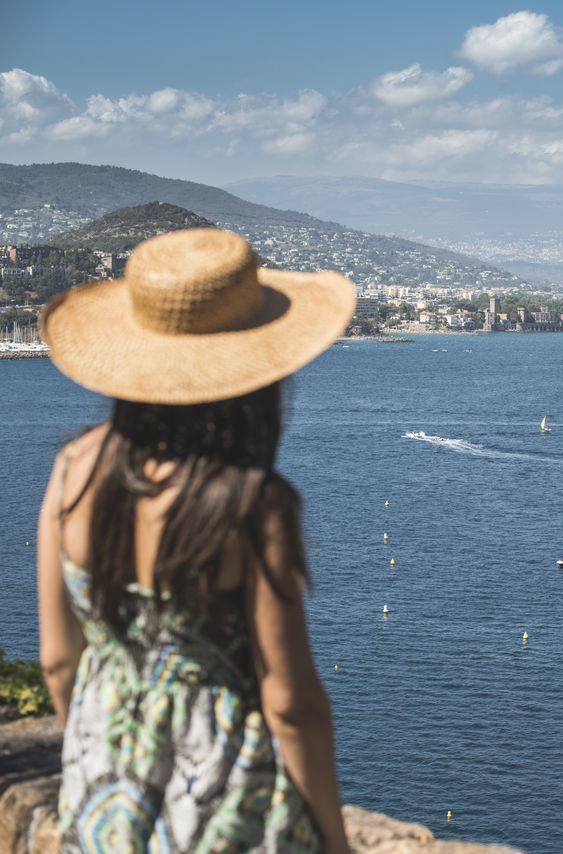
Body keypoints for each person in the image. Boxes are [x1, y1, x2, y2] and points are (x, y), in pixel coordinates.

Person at [36, 228, 355, 852]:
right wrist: (336, 841)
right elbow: (291, 705)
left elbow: (58, 660)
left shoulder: (73, 467)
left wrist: (101, 751)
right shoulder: (252, 504)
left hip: (101, 793)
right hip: (229, 805)